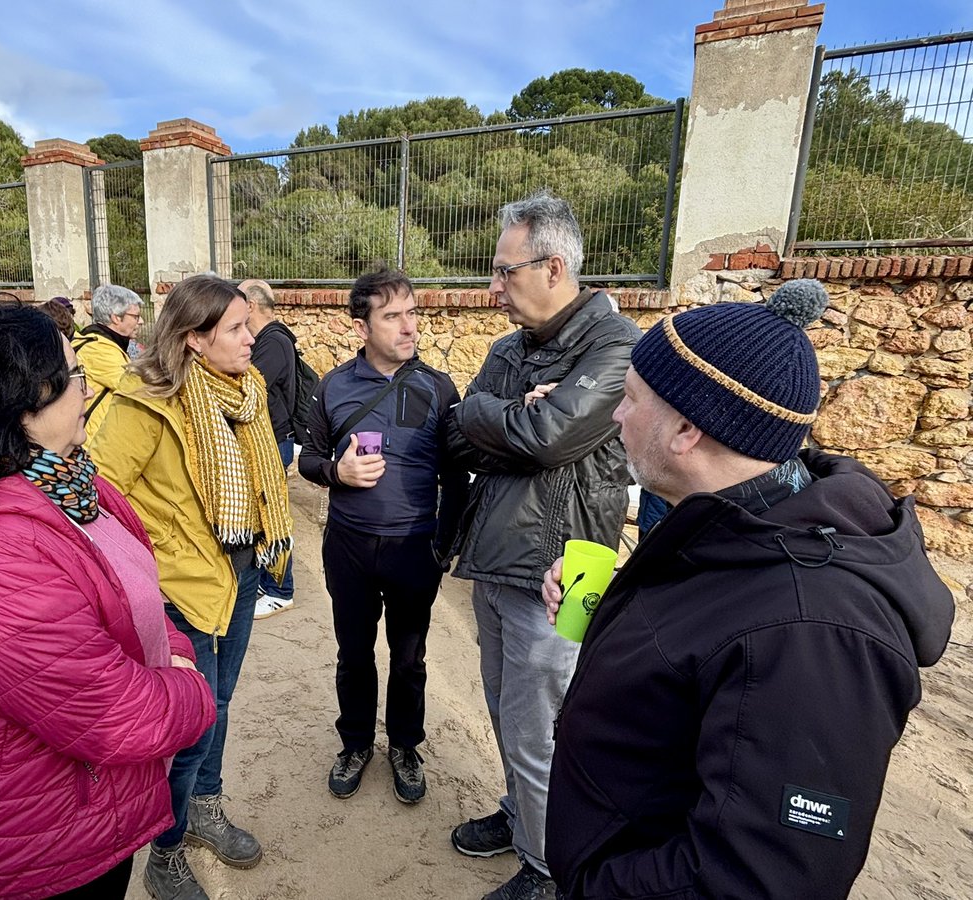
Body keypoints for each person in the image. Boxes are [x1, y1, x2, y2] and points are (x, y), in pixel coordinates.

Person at [539, 279, 954, 899]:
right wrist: (616, 607)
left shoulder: (811, 633)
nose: (618, 415)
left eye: (628, 398)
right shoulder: (737, 524)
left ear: (685, 430)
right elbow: (708, 632)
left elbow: (760, 880)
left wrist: (597, 886)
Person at [0, 307, 216, 900]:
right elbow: (112, 715)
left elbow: (134, 595)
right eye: (76, 376)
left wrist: (170, 648)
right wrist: (193, 688)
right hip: (27, 850)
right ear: (22, 404)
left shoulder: (66, 482)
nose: (88, 391)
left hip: (81, 810)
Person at [444, 190, 640, 900]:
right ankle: (522, 816)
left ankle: (550, 867)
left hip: (562, 568)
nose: (493, 290)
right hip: (496, 556)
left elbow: (549, 436)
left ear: (554, 267)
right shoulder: (508, 349)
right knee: (506, 709)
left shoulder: (615, 347)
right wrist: (503, 414)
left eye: (505, 273)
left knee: (545, 728)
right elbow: (458, 427)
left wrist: (505, 425)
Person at [89, 274, 293, 900]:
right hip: (179, 588)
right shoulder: (142, 403)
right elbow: (95, 503)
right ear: (194, 339)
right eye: (235, 328)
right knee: (185, 723)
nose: (251, 336)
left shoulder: (246, 390)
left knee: (220, 703)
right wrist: (158, 563)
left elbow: (259, 482)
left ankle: (202, 806)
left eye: (247, 322)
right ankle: (165, 850)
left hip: (240, 568)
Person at [299, 268, 469, 806]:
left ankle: (404, 746)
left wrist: (445, 545)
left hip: (414, 546)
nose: (408, 327)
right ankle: (355, 744)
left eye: (412, 314)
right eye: (392, 316)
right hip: (349, 545)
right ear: (362, 327)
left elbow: (457, 476)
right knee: (353, 654)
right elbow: (307, 459)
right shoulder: (334, 385)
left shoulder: (438, 387)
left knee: (410, 657)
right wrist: (336, 474)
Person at [241, 278, 298, 619]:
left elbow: (248, 384)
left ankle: (281, 589)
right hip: (269, 440)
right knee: (262, 516)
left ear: (250, 306)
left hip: (274, 441)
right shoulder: (268, 339)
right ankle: (269, 582)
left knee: (272, 515)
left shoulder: (274, 342)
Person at [74, 284, 145, 442]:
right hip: (93, 444)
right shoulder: (97, 349)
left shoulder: (107, 344)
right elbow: (135, 386)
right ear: (116, 317)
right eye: (135, 316)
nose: (141, 321)